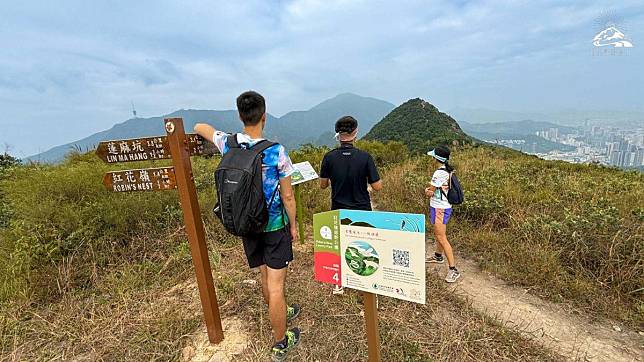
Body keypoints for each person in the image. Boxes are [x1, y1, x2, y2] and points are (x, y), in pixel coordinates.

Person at [194, 91, 300, 361]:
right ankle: (280, 342)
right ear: (264, 116)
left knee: (265, 274)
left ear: (240, 116)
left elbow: (200, 128)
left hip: (246, 224)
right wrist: (294, 226)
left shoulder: (229, 144)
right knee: (276, 285)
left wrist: (219, 132)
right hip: (274, 225)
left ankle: (277, 311)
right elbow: (288, 196)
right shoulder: (277, 151)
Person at [320, 115, 383, 295]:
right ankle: (367, 284)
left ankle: (339, 283)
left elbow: (323, 185)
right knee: (365, 245)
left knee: (340, 245)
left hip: (339, 209)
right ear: (355, 133)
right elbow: (377, 187)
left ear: (338, 135)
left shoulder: (329, 157)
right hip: (362, 208)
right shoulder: (365, 157)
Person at [425, 145, 461, 283]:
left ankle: (453, 270)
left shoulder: (439, 173)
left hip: (440, 208)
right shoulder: (447, 170)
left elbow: (430, 191)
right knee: (439, 235)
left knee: (441, 237)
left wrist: (426, 191)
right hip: (442, 207)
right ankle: (438, 256)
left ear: (436, 158)